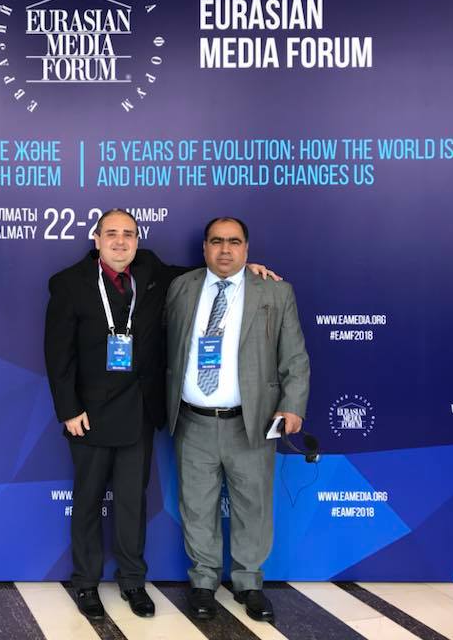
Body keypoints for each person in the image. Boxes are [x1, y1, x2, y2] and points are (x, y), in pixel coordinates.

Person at [44, 209, 278, 621]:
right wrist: (69, 409)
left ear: (138, 240)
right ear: (96, 239)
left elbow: (205, 272)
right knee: (88, 501)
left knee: (132, 503)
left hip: (138, 410)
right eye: (111, 234)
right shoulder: (69, 283)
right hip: (88, 415)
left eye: (128, 234)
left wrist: (245, 267)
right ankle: (85, 583)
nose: (120, 241)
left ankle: (133, 581)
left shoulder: (151, 271)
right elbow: (57, 354)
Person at [164, 217, 309, 623]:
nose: (225, 250)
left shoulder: (275, 292)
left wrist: (293, 405)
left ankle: (249, 584)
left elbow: (295, 357)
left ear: (247, 248)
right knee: (197, 506)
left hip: (252, 422)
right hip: (192, 421)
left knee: (253, 505)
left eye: (234, 242)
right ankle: (203, 582)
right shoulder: (181, 287)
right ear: (204, 248)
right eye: (216, 241)